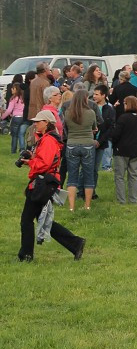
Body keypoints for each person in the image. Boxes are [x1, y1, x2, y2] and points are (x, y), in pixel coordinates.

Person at [17, 111, 85, 262]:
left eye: (38, 121)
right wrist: (31, 158)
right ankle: (75, 243)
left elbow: (44, 164)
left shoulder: (48, 140)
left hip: (42, 182)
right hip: (46, 181)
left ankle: (26, 255)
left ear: (46, 123)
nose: (35, 123)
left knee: (26, 219)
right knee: (42, 218)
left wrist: (30, 162)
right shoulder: (47, 138)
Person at [64, 89, 98, 212]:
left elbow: (66, 128)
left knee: (72, 177)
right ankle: (87, 205)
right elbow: (94, 127)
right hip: (88, 145)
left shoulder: (68, 112)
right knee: (89, 176)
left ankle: (71, 207)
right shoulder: (91, 112)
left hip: (72, 144)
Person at [110, 94, 137, 204]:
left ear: (127, 104)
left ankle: (121, 200)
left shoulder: (123, 118)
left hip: (121, 150)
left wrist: (114, 145)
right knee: (134, 176)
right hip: (136, 151)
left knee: (120, 176)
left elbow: (116, 135)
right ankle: (133, 200)